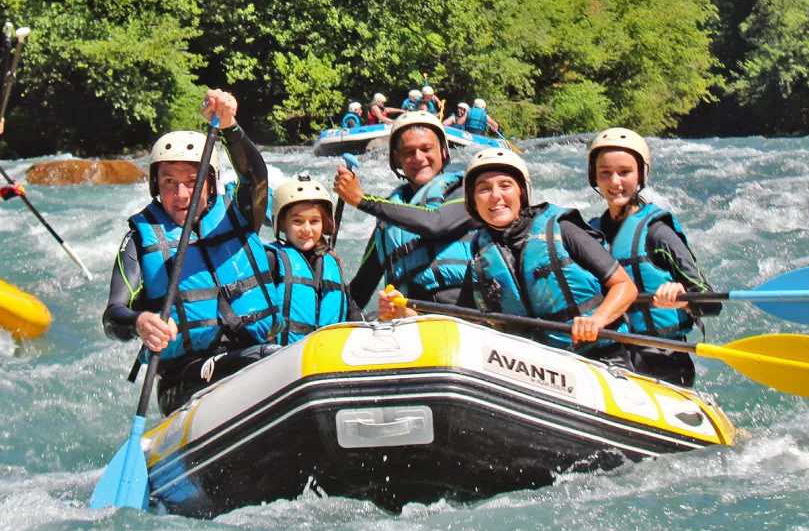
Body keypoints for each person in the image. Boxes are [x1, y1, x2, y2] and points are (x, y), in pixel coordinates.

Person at [102, 89, 281, 415]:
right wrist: (140, 321)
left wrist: (229, 126)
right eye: (169, 181)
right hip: (183, 380)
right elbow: (113, 316)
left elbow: (256, 177)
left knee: (267, 356)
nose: (181, 193)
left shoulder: (240, 215)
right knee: (264, 359)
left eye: (192, 180)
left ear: (211, 182)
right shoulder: (140, 241)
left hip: (261, 356)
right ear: (156, 186)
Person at [378, 148, 637, 360]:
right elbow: (464, 318)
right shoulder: (482, 254)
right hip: (543, 366)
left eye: (505, 186)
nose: (496, 196)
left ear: (521, 193)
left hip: (602, 358)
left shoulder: (561, 228)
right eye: (484, 189)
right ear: (473, 202)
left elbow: (625, 287)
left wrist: (597, 319)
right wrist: (406, 313)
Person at [586, 128, 717, 386]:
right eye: (605, 173)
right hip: (611, 355)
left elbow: (710, 302)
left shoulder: (658, 234)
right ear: (594, 177)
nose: (615, 182)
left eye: (625, 172)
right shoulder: (590, 232)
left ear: (641, 175)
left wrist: (682, 300)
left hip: (662, 358)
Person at [335, 111, 477, 309]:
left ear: (443, 152)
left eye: (426, 149)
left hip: (469, 321)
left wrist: (362, 200)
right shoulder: (388, 221)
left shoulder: (469, 193)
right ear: (396, 158)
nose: (419, 158)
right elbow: (360, 290)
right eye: (409, 152)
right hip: (408, 326)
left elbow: (436, 223)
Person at [266, 173, 363, 345]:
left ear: (324, 224)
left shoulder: (331, 262)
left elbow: (353, 314)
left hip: (326, 357)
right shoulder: (272, 260)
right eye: (297, 221)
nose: (306, 229)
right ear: (281, 224)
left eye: (314, 221)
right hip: (283, 356)